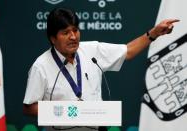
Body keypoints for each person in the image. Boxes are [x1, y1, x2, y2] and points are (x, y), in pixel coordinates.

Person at [23, 7, 179, 131]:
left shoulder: (92, 51)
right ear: (52, 38)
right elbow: (29, 108)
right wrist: (64, 111)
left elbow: (128, 51)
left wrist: (154, 33)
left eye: (75, 30)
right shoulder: (41, 66)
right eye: (65, 33)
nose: (73, 37)